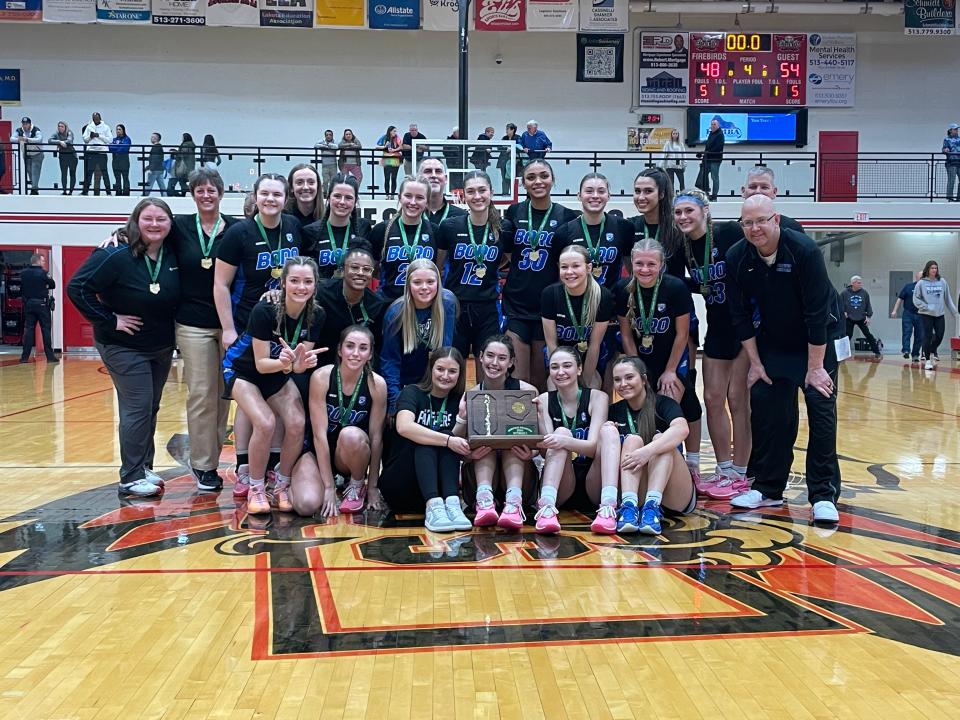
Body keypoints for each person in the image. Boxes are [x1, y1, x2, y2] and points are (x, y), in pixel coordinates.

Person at [725, 194, 843, 524]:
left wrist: (816, 368)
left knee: (821, 412)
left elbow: (817, 313)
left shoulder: (803, 250)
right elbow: (740, 316)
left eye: (761, 220)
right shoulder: (737, 257)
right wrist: (756, 363)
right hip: (774, 344)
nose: (754, 228)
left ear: (776, 220)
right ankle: (768, 489)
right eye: (747, 222)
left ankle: (822, 493)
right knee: (768, 410)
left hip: (817, 341)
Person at [67, 199, 180, 497]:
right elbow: (77, 288)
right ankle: (129, 477)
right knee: (138, 407)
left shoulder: (172, 254)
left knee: (150, 408)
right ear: (135, 221)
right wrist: (108, 319)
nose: (155, 225)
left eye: (161, 219)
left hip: (161, 345)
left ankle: (143, 466)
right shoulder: (114, 253)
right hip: (123, 346)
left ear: (171, 224)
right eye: (148, 219)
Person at [214, 173, 303, 497]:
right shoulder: (240, 232)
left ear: (285, 197)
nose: (271, 199)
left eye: (277, 194)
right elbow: (220, 284)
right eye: (265, 193)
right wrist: (227, 328)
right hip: (247, 326)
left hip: (281, 326)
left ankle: (272, 468)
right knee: (249, 405)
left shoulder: (292, 227)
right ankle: (242, 467)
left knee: (274, 398)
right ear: (255, 196)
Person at [222, 257, 325, 514]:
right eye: (295, 281)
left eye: (307, 281)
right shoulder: (265, 310)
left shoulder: (317, 315)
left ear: (315, 285)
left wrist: (304, 363)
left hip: (276, 371)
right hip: (243, 370)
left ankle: (281, 483)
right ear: (283, 283)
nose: (301, 287)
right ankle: (256, 487)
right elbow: (260, 364)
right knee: (266, 422)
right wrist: (286, 364)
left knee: (297, 422)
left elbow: (297, 367)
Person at [673, 188, 750, 496]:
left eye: (689, 211)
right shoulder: (683, 247)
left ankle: (742, 472)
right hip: (717, 325)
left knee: (737, 398)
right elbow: (678, 282)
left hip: (745, 326)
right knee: (713, 399)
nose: (683, 217)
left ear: (705, 211)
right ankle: (723, 468)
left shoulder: (731, 232)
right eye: (678, 213)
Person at [171, 168, 238, 491]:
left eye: (212, 190)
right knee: (201, 393)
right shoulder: (180, 227)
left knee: (224, 395)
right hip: (193, 324)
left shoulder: (236, 229)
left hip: (229, 324)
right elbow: (146, 232)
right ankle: (202, 464)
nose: (207, 195)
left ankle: (213, 457)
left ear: (221, 193)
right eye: (201, 190)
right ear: (193, 193)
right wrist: (120, 234)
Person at [617, 238, 703, 476]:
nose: (645, 269)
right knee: (648, 405)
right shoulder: (624, 289)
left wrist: (670, 370)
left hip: (672, 358)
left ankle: (692, 463)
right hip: (642, 359)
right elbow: (626, 335)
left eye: (651, 264)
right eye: (639, 264)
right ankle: (653, 455)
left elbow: (682, 333)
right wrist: (638, 370)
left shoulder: (675, 288)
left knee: (683, 402)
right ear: (632, 263)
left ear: (662, 264)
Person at [500, 159, 580, 389]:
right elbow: (506, 254)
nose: (538, 181)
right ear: (523, 183)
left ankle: (546, 425)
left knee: (542, 377)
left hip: (549, 305)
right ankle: (520, 426)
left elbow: (567, 263)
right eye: (531, 177)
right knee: (519, 379)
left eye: (544, 176)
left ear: (552, 180)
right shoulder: (515, 211)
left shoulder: (566, 216)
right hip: (517, 303)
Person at [378, 347, 477, 530]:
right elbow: (403, 426)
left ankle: (453, 504)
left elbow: (459, 447)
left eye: (452, 371)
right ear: (430, 369)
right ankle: (434, 506)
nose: (445, 375)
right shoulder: (412, 392)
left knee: (449, 437)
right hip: (401, 483)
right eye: (440, 369)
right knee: (432, 440)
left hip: (438, 488)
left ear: (460, 374)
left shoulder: (459, 401)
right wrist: (447, 440)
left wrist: (462, 418)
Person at [603, 356, 696, 535]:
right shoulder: (614, 411)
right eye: (617, 380)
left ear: (644, 379)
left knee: (661, 440)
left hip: (672, 491)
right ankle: (629, 507)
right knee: (632, 440)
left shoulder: (663, 404)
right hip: (637, 489)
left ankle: (652, 506)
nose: (623, 384)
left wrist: (648, 451)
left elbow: (682, 429)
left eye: (629, 377)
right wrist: (606, 431)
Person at [456, 334, 539, 528]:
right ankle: (484, 501)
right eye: (490, 356)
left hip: (520, 475)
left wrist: (532, 452)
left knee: (513, 441)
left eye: (502, 358)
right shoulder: (471, 395)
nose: (495, 363)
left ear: (511, 362)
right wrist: (462, 418)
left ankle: (514, 504)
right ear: (481, 357)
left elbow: (542, 440)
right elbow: (455, 444)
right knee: (486, 444)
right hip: (481, 477)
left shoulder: (527, 392)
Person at [307, 325, 387, 515]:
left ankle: (356, 484)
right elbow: (319, 436)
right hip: (321, 450)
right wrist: (328, 487)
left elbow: (376, 439)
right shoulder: (321, 377)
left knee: (350, 434)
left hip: (351, 454)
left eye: (363, 348)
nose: (355, 353)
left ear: (370, 354)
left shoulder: (377, 384)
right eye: (350, 346)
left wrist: (372, 486)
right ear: (339, 350)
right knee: (306, 504)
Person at [534, 346, 609, 534]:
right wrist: (541, 419)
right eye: (554, 367)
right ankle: (547, 507)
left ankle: (608, 507)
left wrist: (563, 440)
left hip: (592, 479)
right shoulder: (543, 400)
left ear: (579, 369)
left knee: (563, 434)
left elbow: (593, 448)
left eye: (567, 366)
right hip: (561, 481)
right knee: (561, 433)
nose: (560, 372)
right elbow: (546, 451)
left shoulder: (597, 397)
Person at [436, 170, 506, 364]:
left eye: (482, 190)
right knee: (452, 364)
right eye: (471, 191)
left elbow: (510, 260)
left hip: (488, 306)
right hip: (455, 306)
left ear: (491, 192)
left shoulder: (503, 228)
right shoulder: (449, 227)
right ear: (463, 195)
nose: (477, 196)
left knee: (488, 365)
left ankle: (484, 396)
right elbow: (438, 267)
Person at [380, 258, 458, 415]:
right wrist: (395, 400)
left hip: (435, 383)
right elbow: (390, 360)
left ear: (438, 282)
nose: (424, 288)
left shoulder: (448, 303)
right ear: (408, 285)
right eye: (417, 282)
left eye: (430, 282)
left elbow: (445, 351)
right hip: (405, 384)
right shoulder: (395, 313)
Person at [541, 245, 614, 389]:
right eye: (564, 267)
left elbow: (594, 345)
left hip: (589, 361)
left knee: (590, 389)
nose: (569, 272)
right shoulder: (550, 294)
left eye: (576, 266)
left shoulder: (602, 296)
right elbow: (551, 344)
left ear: (588, 268)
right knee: (554, 389)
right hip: (560, 360)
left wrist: (584, 382)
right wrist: (560, 374)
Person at [552, 173, 634, 291]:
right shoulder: (564, 232)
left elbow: (631, 270)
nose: (595, 196)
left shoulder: (623, 227)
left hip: (612, 301)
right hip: (577, 302)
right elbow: (560, 274)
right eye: (589, 191)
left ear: (608, 196)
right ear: (579, 196)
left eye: (601, 191)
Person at [314, 244, 388, 368]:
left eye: (366, 269)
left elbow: (376, 346)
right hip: (321, 364)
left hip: (357, 365)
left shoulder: (377, 304)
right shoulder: (320, 293)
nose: (360, 273)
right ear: (342, 270)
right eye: (354, 267)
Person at [369, 174, 440, 301]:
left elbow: (438, 269)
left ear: (427, 201)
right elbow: (372, 270)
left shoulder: (435, 231)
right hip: (389, 303)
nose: (413, 202)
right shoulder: (382, 230)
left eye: (419, 197)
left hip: (425, 304)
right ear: (399, 197)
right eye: (408, 196)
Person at [301, 173, 371, 279]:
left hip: (353, 294)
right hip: (320, 294)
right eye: (337, 196)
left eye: (348, 198)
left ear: (355, 201)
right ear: (328, 197)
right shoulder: (310, 232)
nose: (342, 202)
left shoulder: (363, 228)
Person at [913, 260, 960, 371]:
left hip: (939, 314)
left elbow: (947, 298)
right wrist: (926, 306)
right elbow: (916, 299)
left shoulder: (942, 281)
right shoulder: (921, 283)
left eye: (936, 268)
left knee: (939, 335)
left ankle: (931, 350)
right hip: (926, 314)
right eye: (932, 268)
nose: (934, 270)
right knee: (927, 336)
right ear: (928, 269)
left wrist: (955, 312)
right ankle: (928, 360)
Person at [739, 167, 805, 233]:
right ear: (743, 191)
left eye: (764, 187)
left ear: (774, 192)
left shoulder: (792, 228)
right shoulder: (734, 231)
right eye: (753, 187)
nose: (758, 191)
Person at [18, 253, 57, 364]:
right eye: (43, 261)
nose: (44, 263)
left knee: (29, 330)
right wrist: (44, 286)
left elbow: (22, 287)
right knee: (45, 329)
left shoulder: (24, 273)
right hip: (42, 305)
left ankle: (24, 357)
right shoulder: (44, 273)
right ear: (38, 261)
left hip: (29, 304)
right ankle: (50, 357)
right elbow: (53, 285)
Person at [841, 275, 882, 359]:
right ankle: (842, 354)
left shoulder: (864, 293)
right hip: (849, 317)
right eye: (858, 283)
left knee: (868, 334)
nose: (860, 284)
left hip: (861, 317)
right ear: (853, 283)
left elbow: (868, 305)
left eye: (860, 282)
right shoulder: (845, 293)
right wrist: (843, 312)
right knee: (847, 335)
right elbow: (839, 304)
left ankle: (877, 352)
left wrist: (868, 316)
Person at [418, 157, 467, 226]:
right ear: (419, 178)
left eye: (438, 171)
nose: (433, 175)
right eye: (428, 171)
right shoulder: (411, 215)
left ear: (446, 179)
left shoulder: (462, 216)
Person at [890, 271, 924, 361]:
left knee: (920, 335)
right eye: (920, 277)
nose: (922, 279)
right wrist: (894, 310)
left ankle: (915, 354)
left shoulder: (926, 288)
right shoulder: (908, 287)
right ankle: (906, 350)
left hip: (921, 314)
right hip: (908, 313)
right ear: (916, 277)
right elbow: (900, 299)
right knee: (907, 332)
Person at [284, 163, 324, 228]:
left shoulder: (328, 217)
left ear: (318, 186)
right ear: (291, 187)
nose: (305, 187)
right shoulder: (281, 218)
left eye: (311, 182)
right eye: (299, 182)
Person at [82, 112, 112, 196]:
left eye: (97, 117)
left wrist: (99, 135)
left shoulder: (106, 127)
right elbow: (85, 139)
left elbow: (110, 140)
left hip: (102, 152)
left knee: (104, 172)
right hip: (91, 151)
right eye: (94, 118)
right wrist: (90, 136)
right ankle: (85, 191)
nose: (95, 119)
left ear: (100, 118)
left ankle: (108, 192)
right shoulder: (89, 127)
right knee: (89, 172)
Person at [12, 117, 44, 195]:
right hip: (26, 154)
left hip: (37, 154)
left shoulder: (36, 130)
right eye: (23, 124)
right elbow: (11, 138)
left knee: (35, 172)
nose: (24, 126)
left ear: (30, 124)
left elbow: (39, 139)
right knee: (29, 172)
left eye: (26, 124)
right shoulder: (19, 130)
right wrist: (19, 139)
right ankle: (34, 188)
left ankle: (34, 189)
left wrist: (27, 139)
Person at [697, 118, 724, 201]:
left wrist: (705, 152)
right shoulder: (711, 134)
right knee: (703, 176)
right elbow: (708, 147)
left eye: (714, 124)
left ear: (718, 125)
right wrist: (703, 153)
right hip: (708, 159)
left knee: (714, 177)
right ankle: (706, 193)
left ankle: (714, 196)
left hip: (715, 159)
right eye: (712, 124)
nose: (712, 126)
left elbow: (717, 148)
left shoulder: (720, 134)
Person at [49, 121, 77, 195]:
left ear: (65, 127)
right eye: (59, 126)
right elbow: (50, 140)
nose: (60, 128)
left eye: (62, 126)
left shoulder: (69, 132)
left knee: (72, 173)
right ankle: (64, 190)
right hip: (62, 156)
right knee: (63, 174)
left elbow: (69, 140)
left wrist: (63, 143)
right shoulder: (56, 133)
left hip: (72, 155)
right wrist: (60, 142)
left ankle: (71, 191)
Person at [167, 133, 196, 197]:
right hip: (189, 166)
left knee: (180, 179)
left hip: (183, 165)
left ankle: (191, 191)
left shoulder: (185, 144)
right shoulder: (191, 145)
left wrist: (175, 152)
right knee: (183, 181)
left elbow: (183, 154)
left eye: (182, 137)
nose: (182, 138)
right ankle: (184, 193)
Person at [377, 125, 402, 198]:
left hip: (395, 159)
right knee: (387, 178)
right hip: (386, 159)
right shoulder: (384, 137)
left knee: (394, 178)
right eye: (394, 131)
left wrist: (394, 150)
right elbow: (377, 146)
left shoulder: (397, 138)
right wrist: (384, 147)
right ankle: (387, 195)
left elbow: (401, 146)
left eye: (395, 131)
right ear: (390, 131)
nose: (395, 132)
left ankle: (392, 195)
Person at [497, 122, 521, 195]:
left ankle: (513, 195)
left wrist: (512, 148)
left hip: (514, 162)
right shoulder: (504, 138)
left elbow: (520, 148)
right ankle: (505, 194)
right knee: (504, 178)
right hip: (504, 161)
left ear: (513, 130)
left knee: (513, 178)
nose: (506, 131)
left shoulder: (518, 138)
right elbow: (499, 147)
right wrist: (505, 148)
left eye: (508, 129)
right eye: (506, 129)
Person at [110, 124, 132, 196]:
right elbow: (110, 148)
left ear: (123, 130)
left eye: (119, 129)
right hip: (115, 161)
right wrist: (119, 146)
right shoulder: (114, 140)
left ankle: (126, 192)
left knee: (125, 178)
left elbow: (124, 149)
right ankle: (118, 192)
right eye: (117, 129)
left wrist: (116, 148)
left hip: (124, 162)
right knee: (117, 178)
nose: (118, 131)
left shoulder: (127, 139)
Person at [942, 123, 960, 202]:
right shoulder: (947, 139)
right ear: (950, 130)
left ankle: (959, 197)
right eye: (955, 129)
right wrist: (945, 150)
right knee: (951, 180)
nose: (957, 131)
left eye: (957, 129)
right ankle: (950, 197)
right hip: (951, 163)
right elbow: (944, 148)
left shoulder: (959, 139)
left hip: (959, 162)